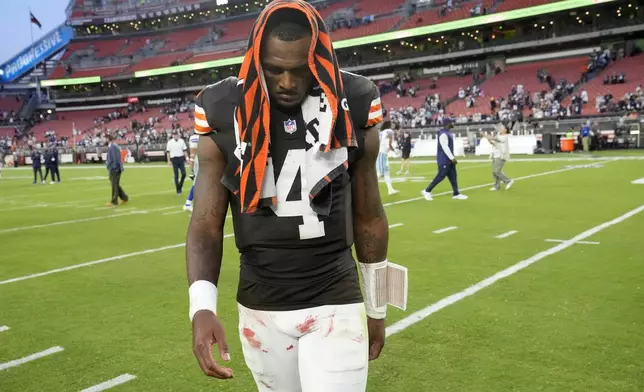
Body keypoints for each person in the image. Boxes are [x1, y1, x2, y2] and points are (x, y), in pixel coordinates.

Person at [186, 2, 391, 391]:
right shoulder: (221, 107)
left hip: (335, 298)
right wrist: (201, 308)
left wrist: (377, 307)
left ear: (319, 58)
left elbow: (370, 217)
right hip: (260, 306)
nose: (285, 82)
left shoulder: (356, 100)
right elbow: (205, 225)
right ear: (254, 57)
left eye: (300, 70)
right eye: (274, 69)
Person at [421, 119, 468, 201]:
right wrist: (452, 158)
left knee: (453, 176)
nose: (453, 123)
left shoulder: (447, 133)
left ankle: (456, 193)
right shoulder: (443, 134)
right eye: (451, 122)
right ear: (447, 124)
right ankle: (427, 191)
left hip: (448, 159)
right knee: (441, 176)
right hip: (444, 159)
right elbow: (445, 147)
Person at [486, 123, 513, 191]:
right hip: (495, 155)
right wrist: (488, 138)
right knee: (494, 172)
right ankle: (496, 186)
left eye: (502, 128)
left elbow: (495, 139)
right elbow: (493, 142)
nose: (500, 129)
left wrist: (488, 136)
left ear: (505, 130)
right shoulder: (499, 135)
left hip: (501, 156)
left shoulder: (505, 136)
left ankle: (508, 181)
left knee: (496, 171)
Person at [105, 134, 129, 206]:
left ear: (108, 139)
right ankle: (124, 198)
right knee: (115, 184)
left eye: (104, 138)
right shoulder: (112, 146)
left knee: (114, 185)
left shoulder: (113, 147)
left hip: (115, 169)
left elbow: (116, 159)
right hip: (113, 168)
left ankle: (114, 201)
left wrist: (114, 168)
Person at [377, 120, 399, 196]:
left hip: (383, 154)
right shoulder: (389, 131)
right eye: (391, 124)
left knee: (386, 173)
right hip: (382, 154)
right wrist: (394, 150)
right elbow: (388, 143)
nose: (392, 125)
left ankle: (390, 189)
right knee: (380, 173)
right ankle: (370, 187)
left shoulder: (382, 132)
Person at [183, 132, 200, 212]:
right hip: (199, 161)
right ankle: (188, 203)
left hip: (200, 161)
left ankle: (188, 203)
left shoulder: (194, 137)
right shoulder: (196, 137)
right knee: (197, 183)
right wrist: (192, 171)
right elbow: (193, 155)